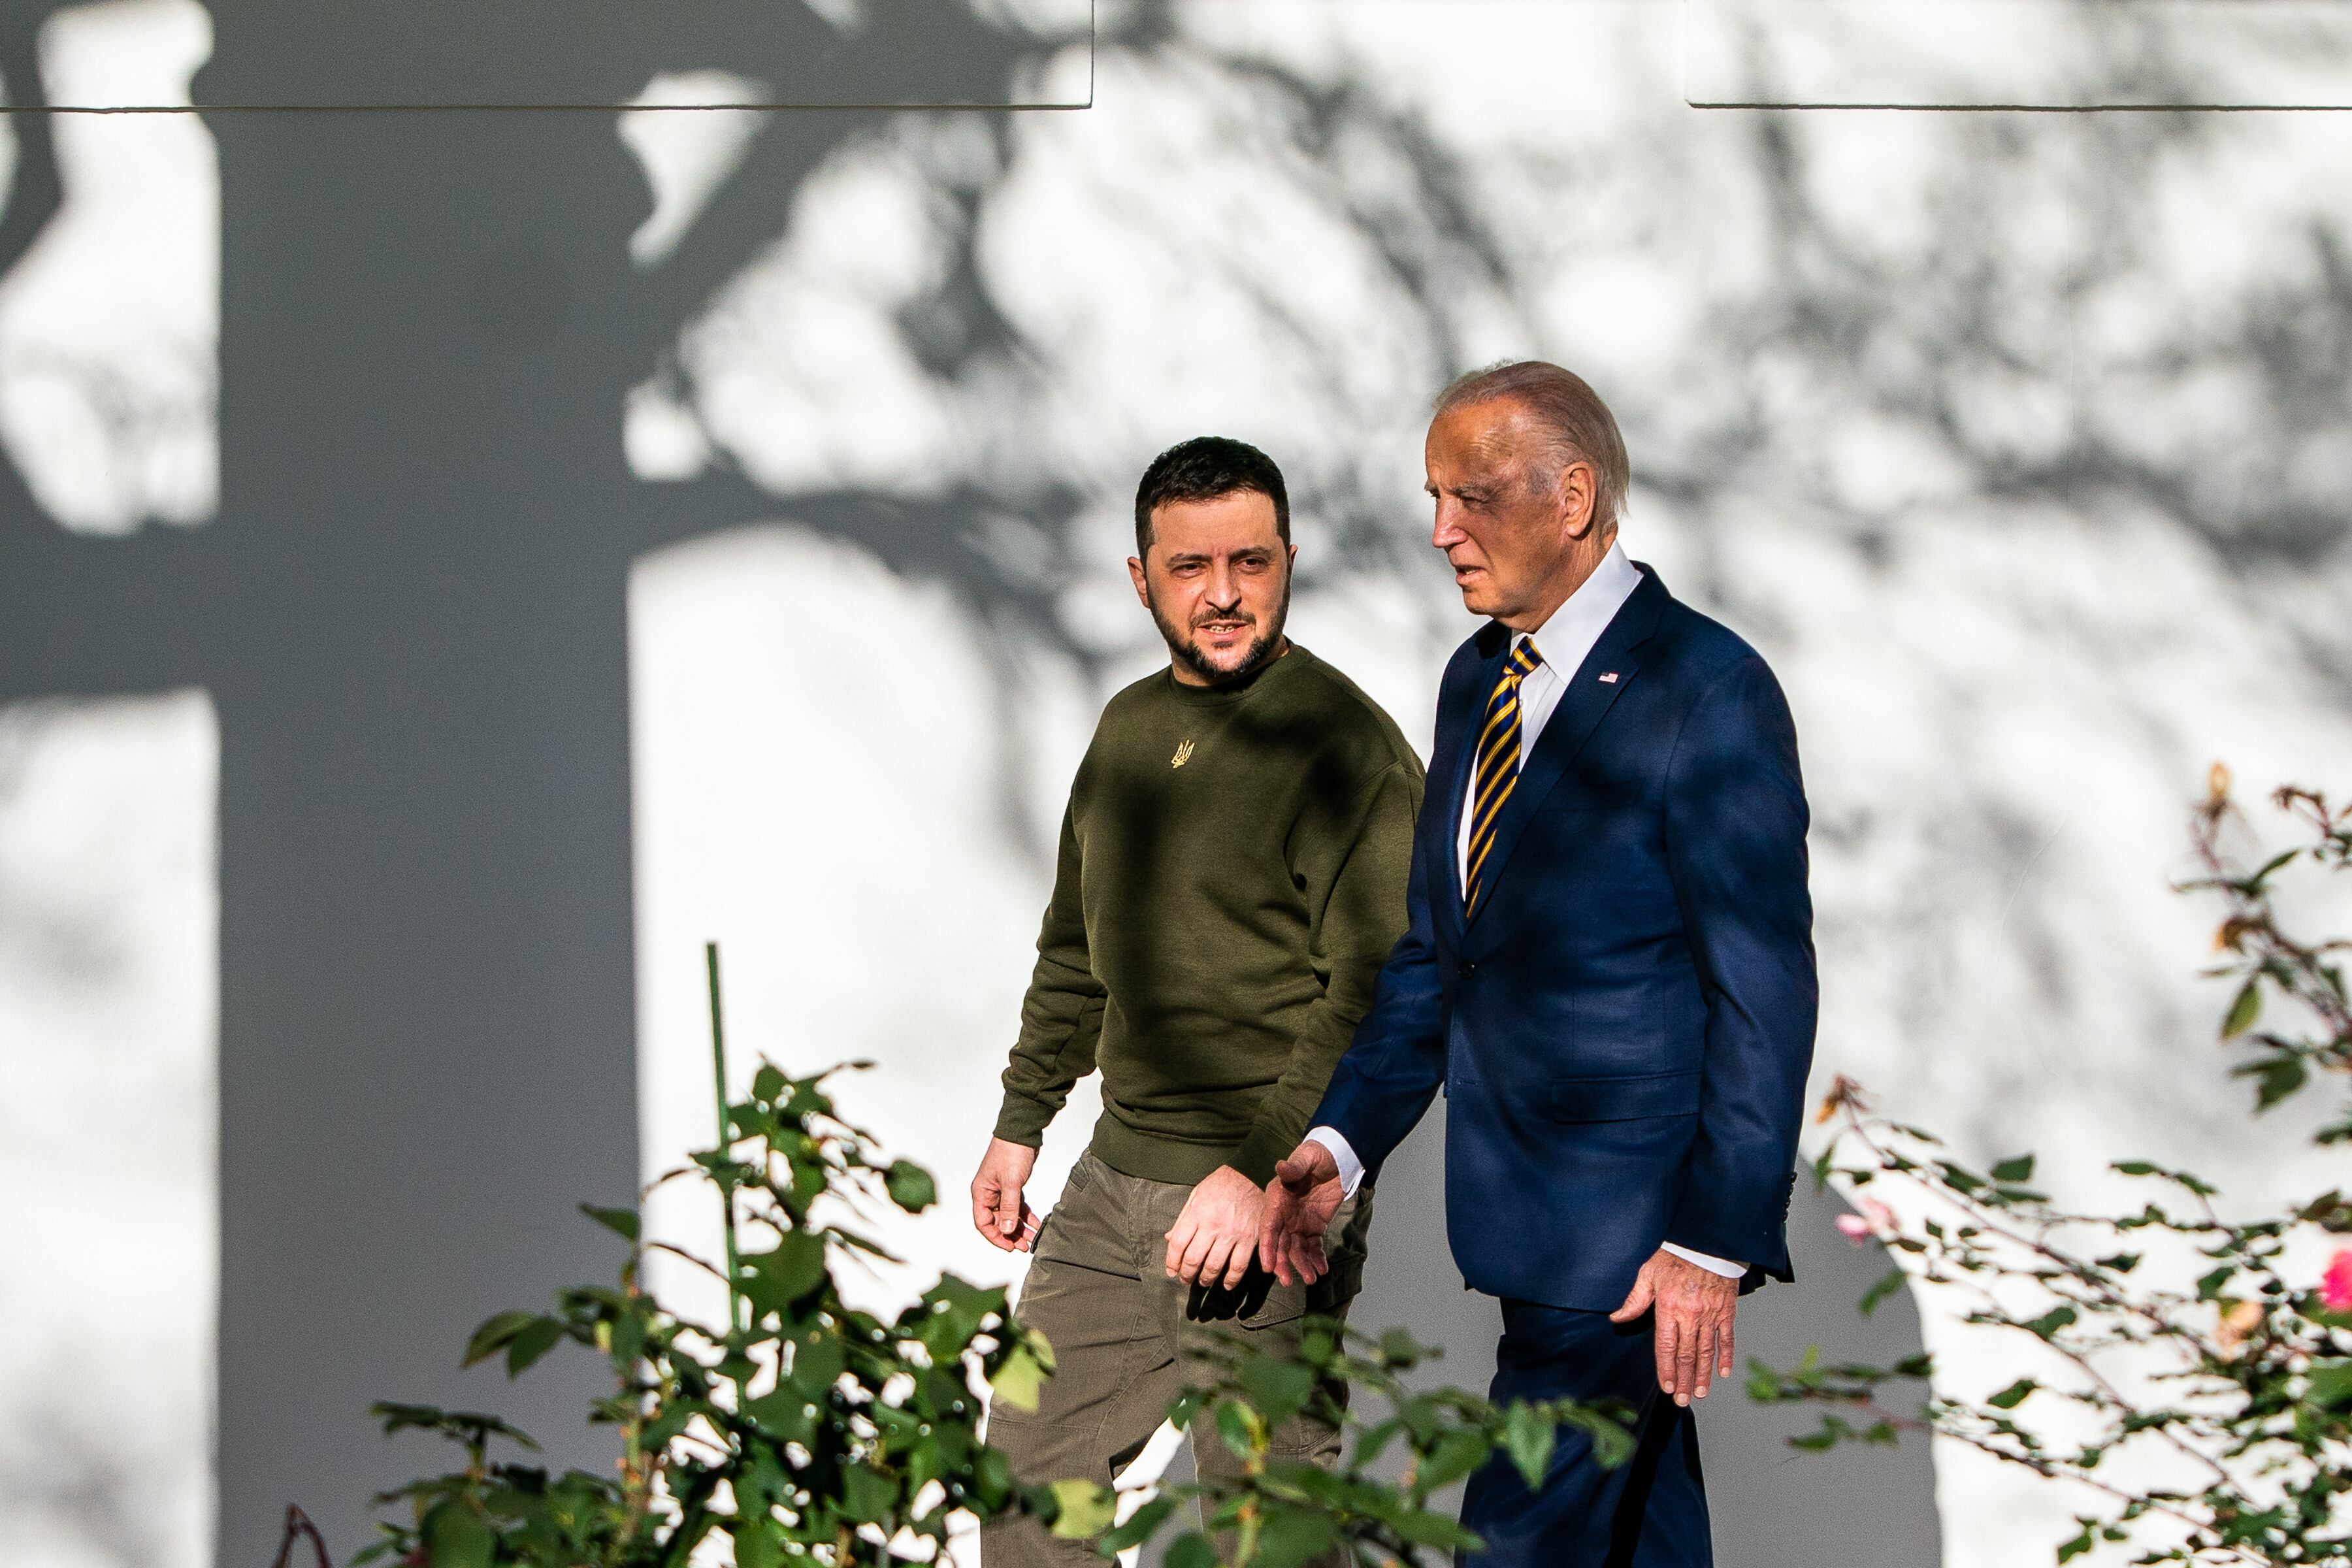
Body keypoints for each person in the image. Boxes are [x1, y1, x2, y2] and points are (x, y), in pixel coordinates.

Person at [1258, 362, 1817, 1567]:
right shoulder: (1477, 680)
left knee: (1513, 1544)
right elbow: (1437, 956)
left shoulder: (1708, 691)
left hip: (1629, 1241)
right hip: (1522, 1220)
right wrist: (1339, 1147)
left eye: (1472, 496)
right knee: (1644, 1539)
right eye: (1434, 497)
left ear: (1574, 499)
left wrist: (1710, 1244)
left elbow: (1763, 993)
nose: (1442, 531)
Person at [972, 436, 1426, 1568]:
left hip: (1264, 1195)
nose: (1223, 594)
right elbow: (1076, 948)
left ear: (1289, 563)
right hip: (1111, 1182)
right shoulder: (1128, 727)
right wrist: (1021, 1124)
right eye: (1190, 567)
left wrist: (1262, 1168)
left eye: (1250, 562)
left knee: (1267, 1530)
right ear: (1142, 579)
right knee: (1027, 1490)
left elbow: (1378, 991)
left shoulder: (1344, 748)